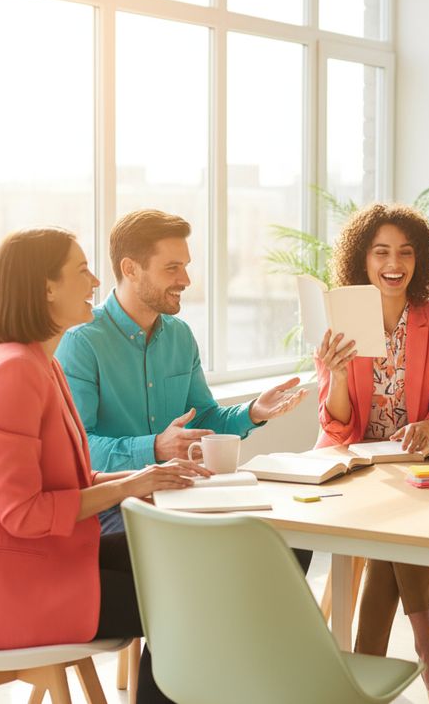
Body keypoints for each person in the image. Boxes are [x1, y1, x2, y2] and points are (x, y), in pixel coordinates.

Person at [0, 226, 210, 703]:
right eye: (82, 272)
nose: (96, 283)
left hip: (41, 562)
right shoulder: (13, 374)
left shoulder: (41, 362)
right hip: (12, 592)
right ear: (47, 289)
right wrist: (129, 486)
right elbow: (24, 513)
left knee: (185, 562)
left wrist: (141, 479)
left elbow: (68, 482)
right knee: (184, 598)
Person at [55, 208, 309, 540]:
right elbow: (78, 448)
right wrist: (155, 448)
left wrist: (252, 412)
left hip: (182, 494)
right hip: (117, 507)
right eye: (172, 268)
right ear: (130, 269)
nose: (185, 280)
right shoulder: (81, 341)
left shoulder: (180, 336)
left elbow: (203, 418)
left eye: (186, 267)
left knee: (287, 535)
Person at [314, 202, 429, 704]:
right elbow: (335, 423)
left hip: (412, 460)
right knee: (395, 516)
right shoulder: (339, 320)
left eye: (404, 251)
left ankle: (370, 676)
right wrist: (337, 374)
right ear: (363, 259)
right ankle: (426, 642)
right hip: (352, 461)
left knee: (397, 512)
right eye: (381, 251)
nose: (393, 262)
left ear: (420, 260)